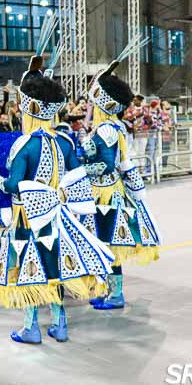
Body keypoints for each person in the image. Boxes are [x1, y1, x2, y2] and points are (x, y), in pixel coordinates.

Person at [0, 56, 114, 345]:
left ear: (31, 108)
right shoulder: (65, 141)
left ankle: (31, 327)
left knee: (32, 267)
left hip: (27, 219)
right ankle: (60, 323)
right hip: (59, 217)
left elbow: (15, 186)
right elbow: (78, 176)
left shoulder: (25, 144)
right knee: (54, 265)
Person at [82, 55, 162, 311]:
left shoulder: (105, 130)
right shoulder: (113, 127)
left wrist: (80, 168)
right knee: (104, 244)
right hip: (108, 191)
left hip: (104, 194)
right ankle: (106, 290)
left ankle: (115, 294)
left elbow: (105, 164)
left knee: (108, 245)